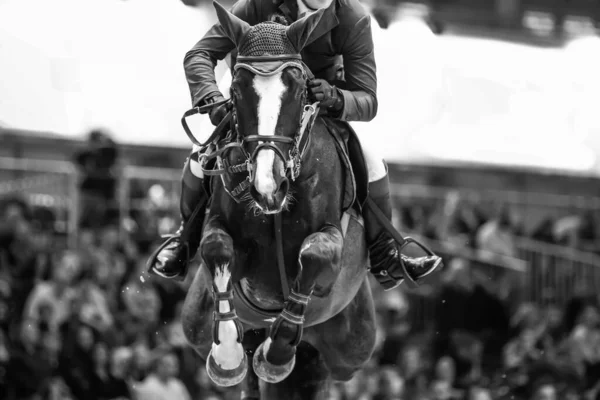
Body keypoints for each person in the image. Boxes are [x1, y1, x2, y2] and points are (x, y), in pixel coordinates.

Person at [147, 0, 442, 290]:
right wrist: (211, 97)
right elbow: (199, 54)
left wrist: (338, 98)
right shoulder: (255, 5)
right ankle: (184, 241)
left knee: (372, 161)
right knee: (201, 154)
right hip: (254, 92)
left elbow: (367, 99)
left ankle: (385, 253)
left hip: (316, 102)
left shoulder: (352, 18)